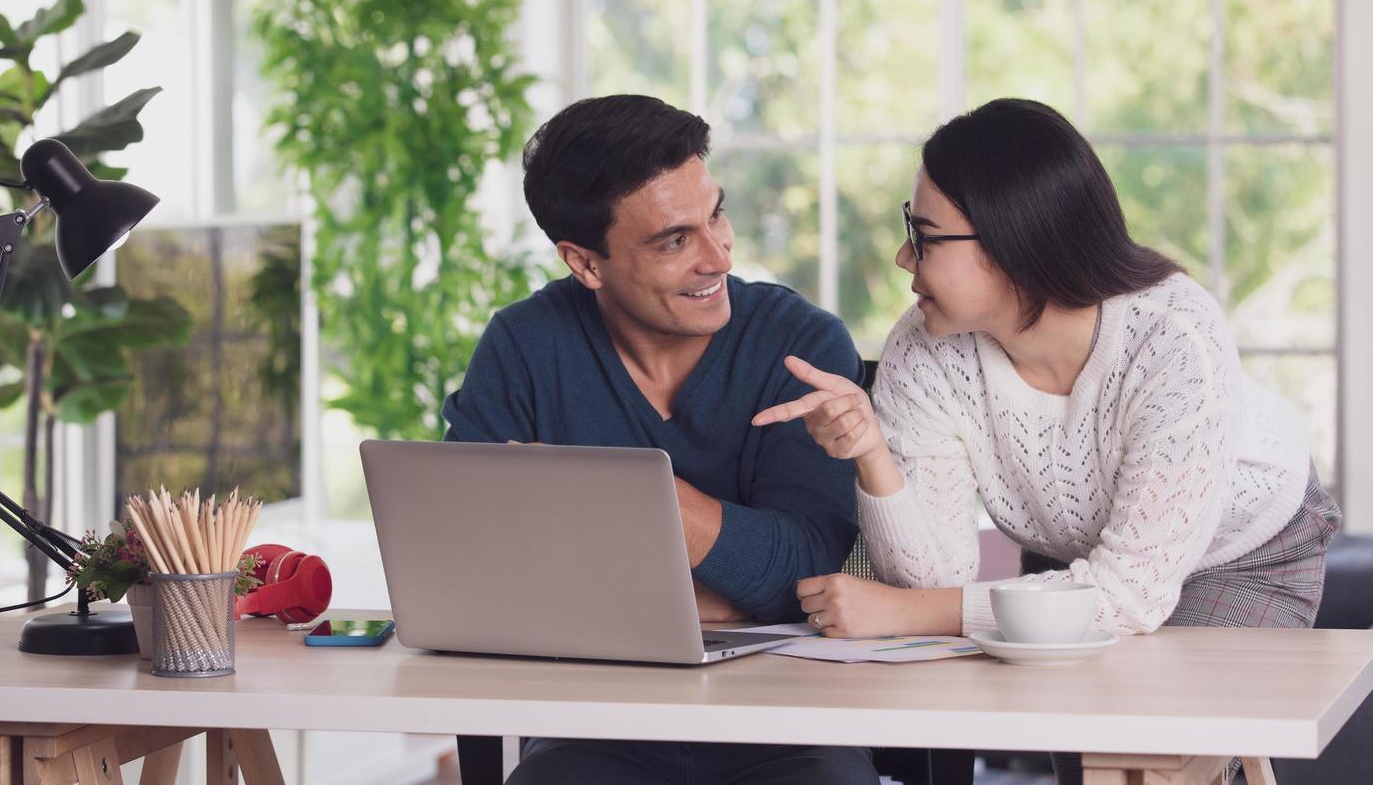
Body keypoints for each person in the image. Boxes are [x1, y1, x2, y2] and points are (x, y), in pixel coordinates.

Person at [755, 97, 1341, 651]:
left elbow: (1129, 596)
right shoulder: (925, 347)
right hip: (1080, 563)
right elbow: (933, 579)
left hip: (1240, 548)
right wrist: (872, 453)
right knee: (1084, 743)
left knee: (1169, 741)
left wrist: (903, 614)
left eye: (925, 238)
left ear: (1016, 242)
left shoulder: (1172, 334)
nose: (904, 257)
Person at [443, 94, 879, 784]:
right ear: (585, 264)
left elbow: (804, 573)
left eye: (716, 216)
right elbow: (471, 579)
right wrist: (718, 589)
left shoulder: (799, 342)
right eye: (675, 240)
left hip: (790, 718)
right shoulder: (524, 347)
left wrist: (634, 505)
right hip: (595, 722)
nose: (718, 258)